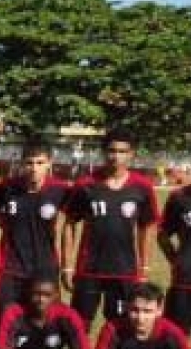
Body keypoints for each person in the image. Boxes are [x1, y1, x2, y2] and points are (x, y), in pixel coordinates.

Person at [62, 128, 159, 329]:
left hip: (124, 271)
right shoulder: (86, 184)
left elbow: (147, 228)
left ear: (131, 154)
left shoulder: (142, 187)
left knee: (121, 325)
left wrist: (145, 267)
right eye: (112, 151)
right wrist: (68, 265)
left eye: (122, 151)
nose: (116, 156)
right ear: (104, 152)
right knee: (79, 325)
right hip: (89, 269)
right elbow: (70, 223)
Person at [0, 141, 70, 327]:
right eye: (29, 162)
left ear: (49, 163)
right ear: (22, 164)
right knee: (3, 320)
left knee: (46, 320)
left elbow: (74, 217)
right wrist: (6, 224)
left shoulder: (60, 190)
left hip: (46, 267)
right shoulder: (7, 187)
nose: (34, 168)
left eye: (40, 162)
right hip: (11, 266)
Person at [157, 181, 191, 333]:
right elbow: (162, 234)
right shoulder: (179, 197)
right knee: (176, 334)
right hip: (185, 278)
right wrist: (175, 259)